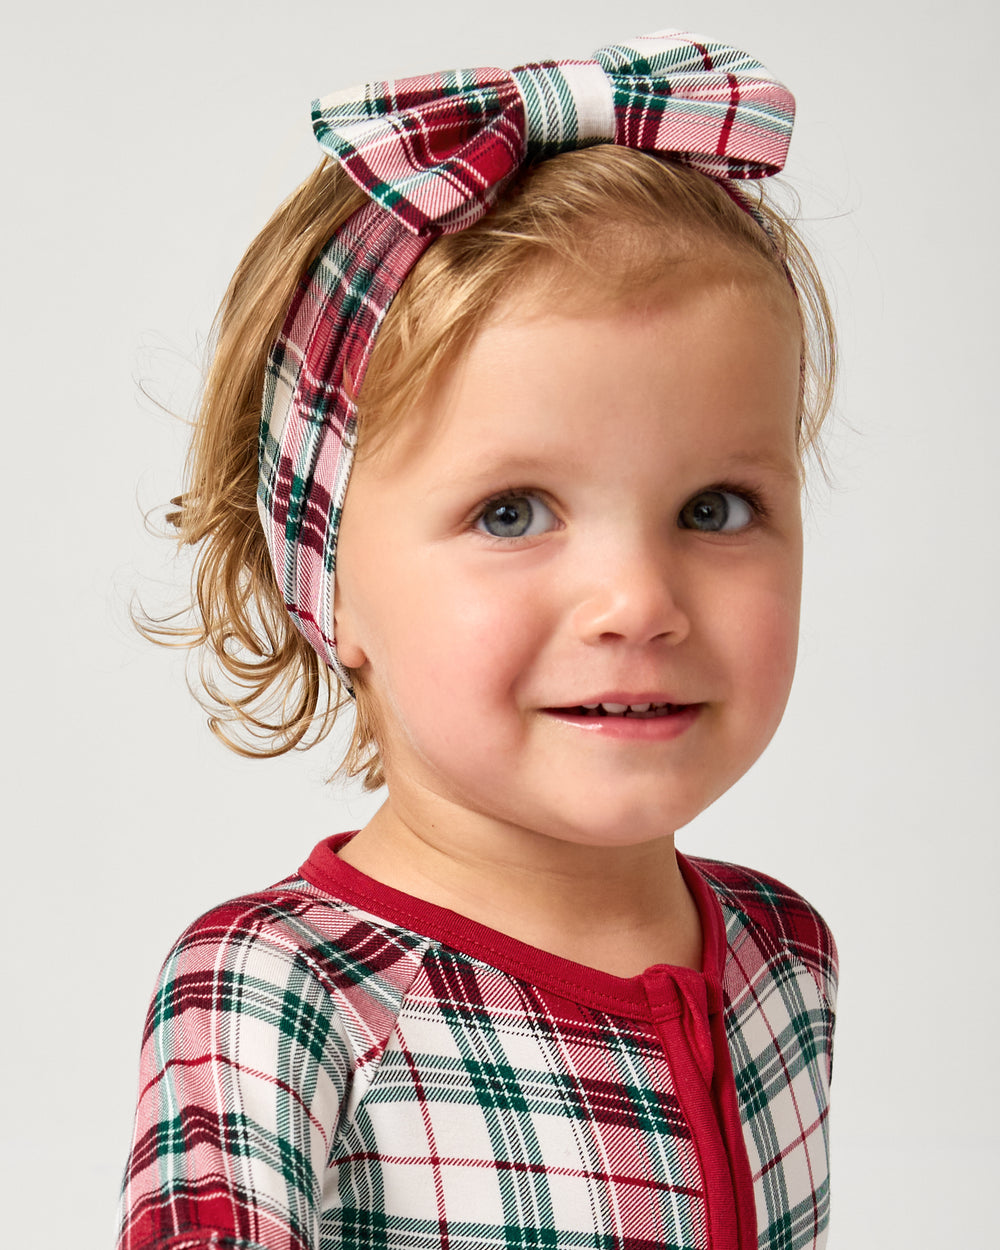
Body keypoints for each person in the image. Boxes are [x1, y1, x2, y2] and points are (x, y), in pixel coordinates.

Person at [117, 29, 839, 1250]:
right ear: (325, 575)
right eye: (511, 513)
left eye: (713, 508)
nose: (636, 600)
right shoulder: (282, 995)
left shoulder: (786, 960)